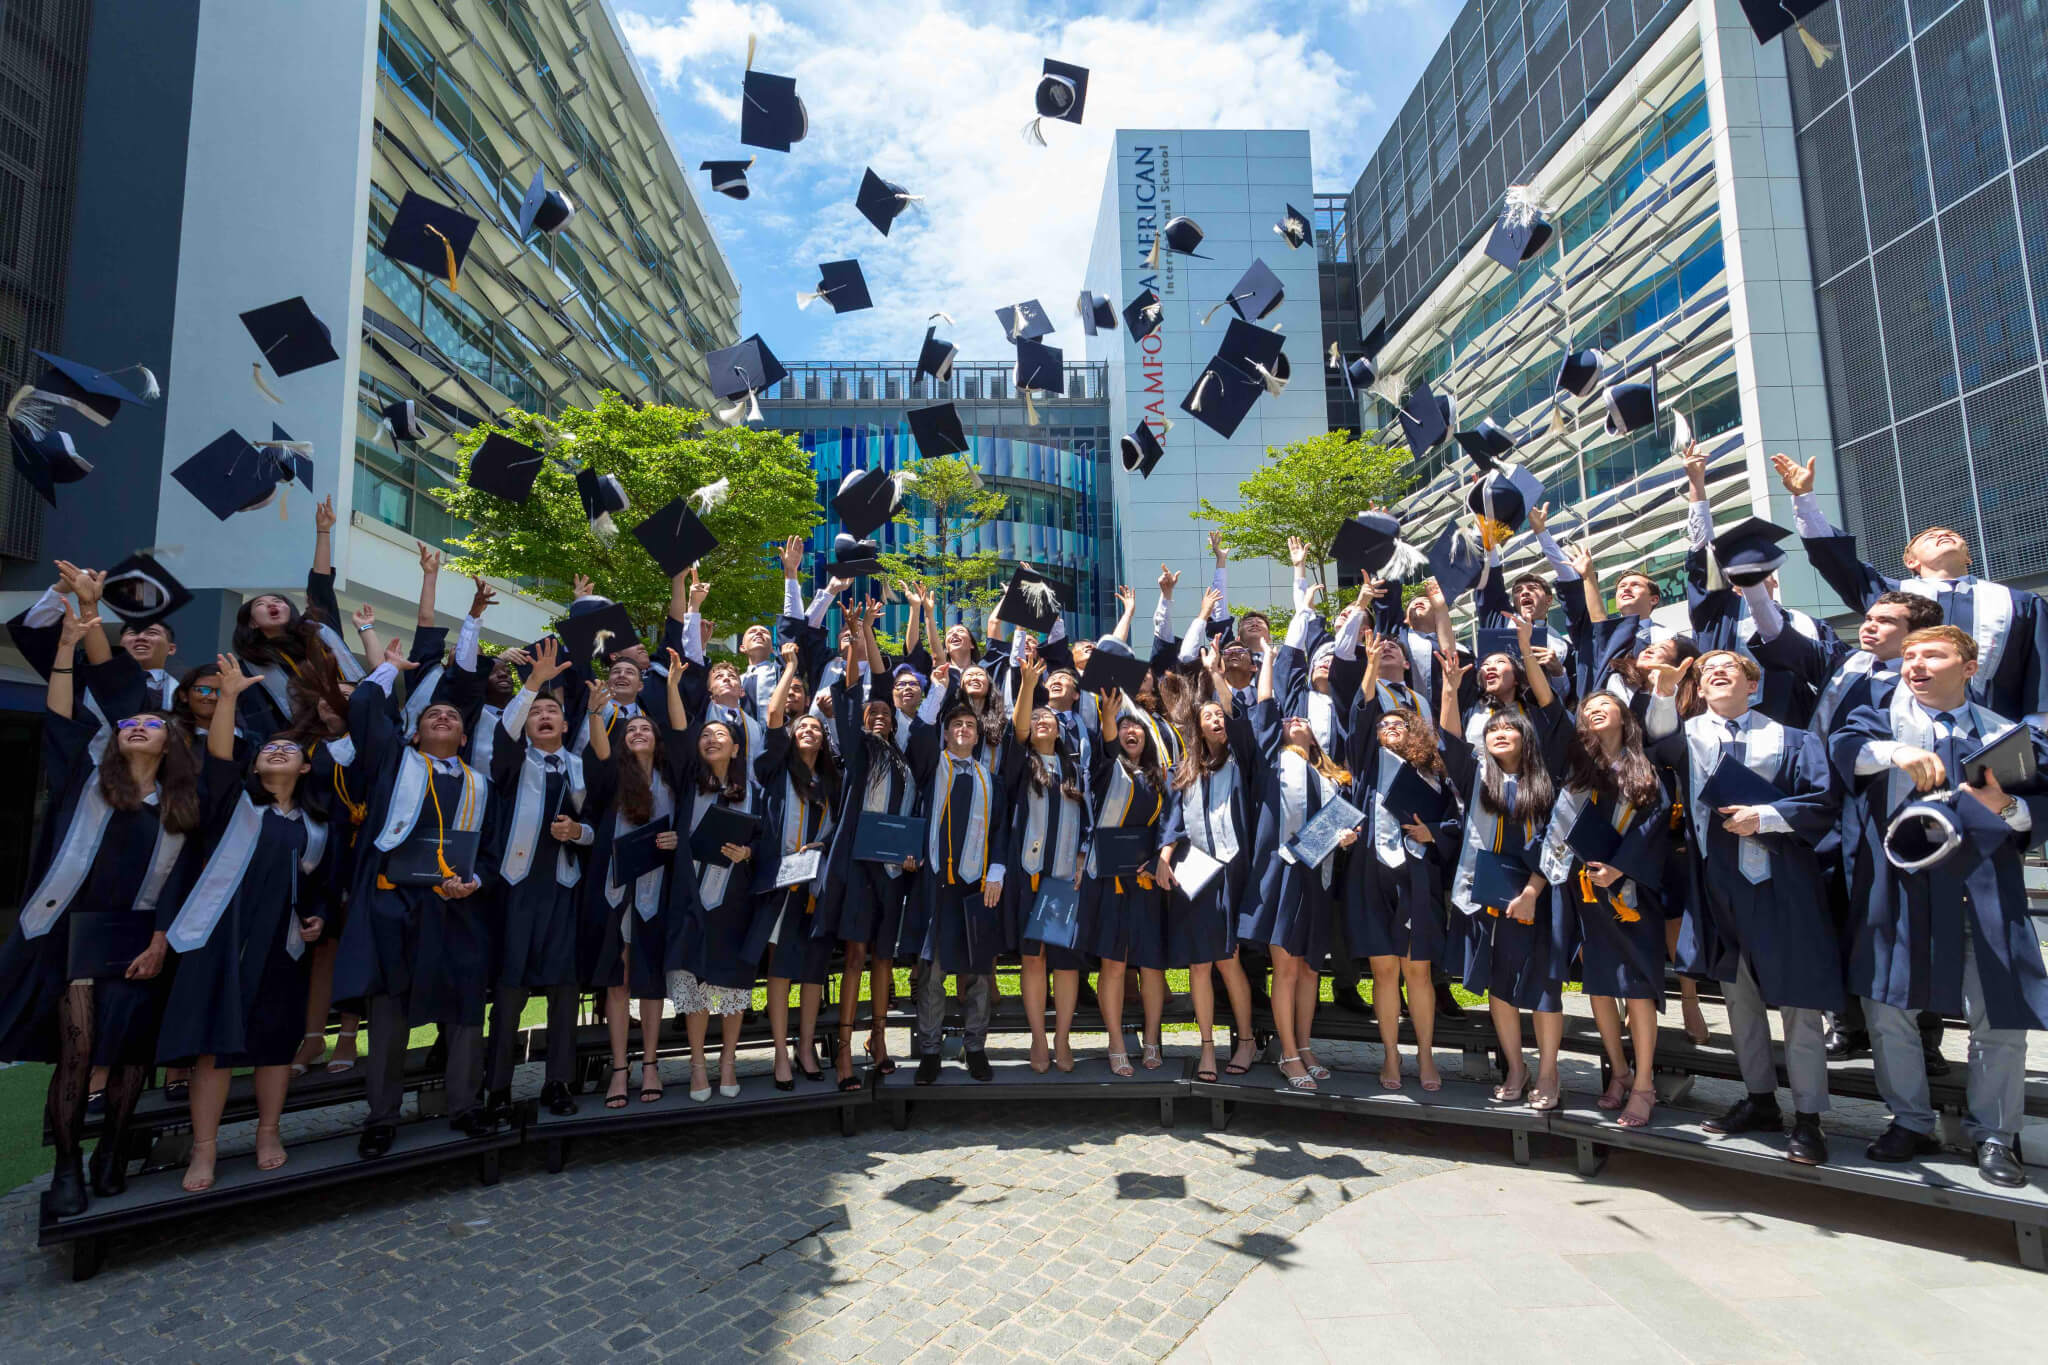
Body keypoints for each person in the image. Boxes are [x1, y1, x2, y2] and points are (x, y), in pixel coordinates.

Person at [0, 598, 202, 1213]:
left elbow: (183, 882)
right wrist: (69, 643)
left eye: (152, 724)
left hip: (142, 937)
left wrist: (162, 940)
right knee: (79, 1048)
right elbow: (61, 713)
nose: (138, 727)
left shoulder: (182, 806)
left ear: (171, 742)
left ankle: (112, 1150)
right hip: (76, 936)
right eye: (129, 724)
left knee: (131, 1054)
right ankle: (68, 1167)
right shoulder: (84, 780)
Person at [1832, 625, 2048, 1188]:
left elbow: (2038, 814)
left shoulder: (2007, 736)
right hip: (1903, 889)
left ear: (1969, 667)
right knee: (1888, 1011)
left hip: (1984, 889)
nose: (1916, 664)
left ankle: (1995, 1136)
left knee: (1998, 1018)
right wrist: (1897, 752)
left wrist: (2006, 806)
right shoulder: (1880, 720)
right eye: (1909, 655)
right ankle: (1908, 1120)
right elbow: (1843, 751)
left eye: (1932, 654)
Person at [1645, 649, 1841, 1166]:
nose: (1718, 672)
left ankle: (1809, 1117)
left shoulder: (1793, 739)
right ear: (1701, 691)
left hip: (1784, 884)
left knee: (1799, 1004)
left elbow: (1823, 802)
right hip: (1720, 885)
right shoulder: (1687, 737)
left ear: (1752, 687)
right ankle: (1759, 1101)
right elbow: (1653, 744)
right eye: (1708, 672)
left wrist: (1768, 815)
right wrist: (1664, 691)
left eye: (1731, 667)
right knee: (1740, 1000)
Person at [158, 657, 330, 1190]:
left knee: (274, 1043)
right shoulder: (233, 804)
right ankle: (204, 1151)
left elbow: (317, 888)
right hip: (221, 939)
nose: (278, 751)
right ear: (254, 767)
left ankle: (268, 1132)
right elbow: (221, 757)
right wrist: (228, 695)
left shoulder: (316, 826)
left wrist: (316, 919)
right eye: (268, 750)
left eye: (292, 750)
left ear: (306, 769)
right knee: (214, 1046)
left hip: (281, 946)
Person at [331, 648, 497, 1158]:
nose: (443, 717)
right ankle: (382, 1116)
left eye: (451, 716)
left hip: (457, 908)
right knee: (390, 1016)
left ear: (464, 737)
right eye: (432, 715)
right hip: (396, 904)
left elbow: (489, 851)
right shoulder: (392, 766)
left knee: (468, 1012)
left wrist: (477, 882)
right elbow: (362, 709)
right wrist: (390, 672)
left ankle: (465, 1106)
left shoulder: (480, 785)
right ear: (415, 731)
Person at [1774, 452, 2048, 726]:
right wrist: (1805, 499)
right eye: (1928, 537)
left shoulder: (2017, 603)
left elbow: (2042, 667)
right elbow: (1837, 563)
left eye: (1952, 535)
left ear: (1968, 558)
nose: (1942, 534)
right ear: (1910, 561)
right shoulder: (1890, 595)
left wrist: (2034, 731)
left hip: (1998, 730)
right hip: (1910, 729)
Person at [1438, 620, 1568, 1110]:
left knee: (1543, 987)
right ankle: (1516, 1066)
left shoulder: (1547, 780)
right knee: (1497, 985)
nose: (1500, 733)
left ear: (1526, 737)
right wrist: (1451, 690)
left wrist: (1532, 891)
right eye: (1493, 730)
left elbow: (1557, 839)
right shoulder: (1478, 777)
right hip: (1486, 891)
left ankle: (1550, 1072)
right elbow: (1450, 743)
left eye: (1510, 728)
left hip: (1536, 894)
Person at [1239, 605, 1362, 1093]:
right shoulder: (1271, 759)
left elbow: (1340, 821)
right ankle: (1288, 1053)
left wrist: (1346, 835)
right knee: (1286, 967)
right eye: (1288, 720)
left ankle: (1305, 1044)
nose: (1294, 721)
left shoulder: (1330, 776)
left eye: (1302, 722)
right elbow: (1266, 704)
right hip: (1282, 873)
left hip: (1319, 874)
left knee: (1310, 967)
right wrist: (1269, 655)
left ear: (1315, 736)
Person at [1540, 691, 1672, 1127]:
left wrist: (1619, 868)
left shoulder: (1644, 765)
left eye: (1604, 705)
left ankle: (1644, 1084)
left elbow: (1655, 822)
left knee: (1635, 988)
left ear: (1624, 716)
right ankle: (1619, 1071)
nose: (1593, 710)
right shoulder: (1579, 771)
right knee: (1598, 985)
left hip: (1632, 891)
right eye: (1587, 708)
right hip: (1589, 890)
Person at [481, 640, 599, 1120]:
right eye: (537, 713)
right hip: (517, 890)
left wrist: (578, 832)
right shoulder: (511, 764)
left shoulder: (578, 768)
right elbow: (505, 735)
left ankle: (557, 1082)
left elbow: (595, 828)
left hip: (562, 889)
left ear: (566, 725)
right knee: (509, 992)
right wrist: (532, 684)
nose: (545, 716)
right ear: (527, 724)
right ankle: (497, 1088)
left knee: (564, 989)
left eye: (553, 711)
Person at [1346, 622, 1460, 1093]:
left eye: (1399, 722)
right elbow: (1360, 712)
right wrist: (1371, 664)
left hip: (1418, 875)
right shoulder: (1366, 769)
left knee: (1417, 969)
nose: (1390, 726)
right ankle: (1392, 1056)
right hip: (1374, 872)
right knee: (1384, 970)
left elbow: (1456, 819)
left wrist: (1431, 832)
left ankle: (1427, 1057)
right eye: (1383, 724)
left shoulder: (1430, 771)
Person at [814, 601, 919, 1086]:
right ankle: (843, 1050)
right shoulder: (859, 753)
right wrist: (859, 639)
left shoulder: (905, 762)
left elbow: (911, 817)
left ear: (895, 722)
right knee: (855, 956)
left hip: (894, 869)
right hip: (858, 865)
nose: (878, 716)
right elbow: (861, 691)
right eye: (871, 714)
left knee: (883, 956)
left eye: (885, 714)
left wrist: (912, 851)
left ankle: (878, 1040)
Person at [581, 667, 686, 1112]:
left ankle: (650, 1064)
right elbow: (601, 752)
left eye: (646, 728)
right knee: (618, 977)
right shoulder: (612, 780)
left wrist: (675, 839)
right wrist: (594, 714)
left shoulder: (673, 780)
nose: (638, 731)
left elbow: (687, 825)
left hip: (657, 889)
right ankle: (620, 1068)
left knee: (649, 978)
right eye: (631, 729)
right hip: (614, 888)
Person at [1154, 645, 1261, 1082]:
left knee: (1228, 959)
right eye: (1209, 717)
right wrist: (1164, 857)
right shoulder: (1185, 769)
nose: (1217, 720)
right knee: (1200, 963)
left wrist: (1216, 675)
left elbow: (1237, 722)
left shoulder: (1243, 760)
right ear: (1197, 728)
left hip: (1232, 872)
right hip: (1195, 870)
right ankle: (1207, 1049)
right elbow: (1173, 820)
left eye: (1220, 716)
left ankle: (1248, 1039)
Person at [910, 661, 1008, 1085]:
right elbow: (918, 735)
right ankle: (930, 1050)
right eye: (957, 726)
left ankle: (975, 1048)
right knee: (933, 971)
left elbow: (1002, 830)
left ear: (978, 733)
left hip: (977, 886)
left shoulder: (991, 779)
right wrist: (938, 688)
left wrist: (997, 872)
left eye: (970, 725)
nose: (964, 730)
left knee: (980, 971)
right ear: (947, 733)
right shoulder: (934, 769)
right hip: (936, 883)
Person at [751, 643, 839, 1089]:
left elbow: (836, 828)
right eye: (801, 726)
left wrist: (818, 850)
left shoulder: (828, 781)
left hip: (815, 883)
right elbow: (772, 718)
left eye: (814, 727)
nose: (808, 730)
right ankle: (781, 1052)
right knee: (781, 967)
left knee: (813, 969)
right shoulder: (774, 768)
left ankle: (806, 1047)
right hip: (779, 881)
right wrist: (788, 668)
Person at [1076, 685, 1175, 1077]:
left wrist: (1157, 859)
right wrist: (1108, 717)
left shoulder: (1159, 778)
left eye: (1137, 729)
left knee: (1151, 965)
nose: (1131, 732)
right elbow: (1104, 747)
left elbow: (1171, 825)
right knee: (1113, 965)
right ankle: (1116, 1041)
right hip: (1110, 881)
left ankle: (1151, 1039)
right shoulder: (1106, 770)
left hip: (1147, 880)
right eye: (1124, 728)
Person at [668, 686, 761, 1103]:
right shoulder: (688, 786)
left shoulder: (755, 792)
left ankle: (727, 1061)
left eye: (720, 735)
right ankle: (696, 1065)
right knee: (695, 980)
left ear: (737, 747)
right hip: (691, 893)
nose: (710, 739)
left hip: (734, 896)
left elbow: (767, 844)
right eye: (705, 735)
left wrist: (749, 853)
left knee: (731, 982)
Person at [1002, 652, 1089, 1074]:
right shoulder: (1021, 764)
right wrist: (1025, 684)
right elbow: (1018, 728)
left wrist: (1081, 860)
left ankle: (1063, 1038)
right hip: (1029, 875)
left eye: (1048, 719)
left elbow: (1088, 821)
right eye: (1036, 720)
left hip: (1064, 878)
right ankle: (1038, 1039)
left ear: (1060, 727)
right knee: (1033, 958)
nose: (1042, 723)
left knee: (1067, 962)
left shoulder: (1074, 766)